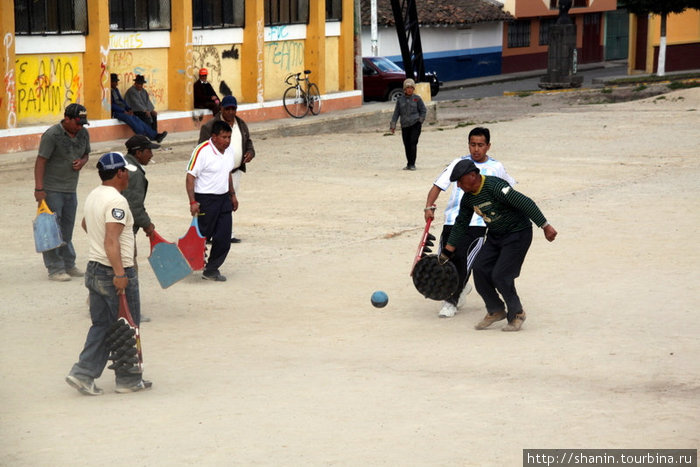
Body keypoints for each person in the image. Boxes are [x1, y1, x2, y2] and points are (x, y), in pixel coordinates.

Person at [65, 152, 152, 395]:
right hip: (113, 271)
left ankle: (83, 373)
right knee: (127, 325)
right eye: (125, 173)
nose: (127, 178)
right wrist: (119, 273)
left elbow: (85, 224)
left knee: (102, 325)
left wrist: (99, 246)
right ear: (120, 173)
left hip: (94, 268)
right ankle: (128, 379)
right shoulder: (117, 202)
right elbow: (111, 240)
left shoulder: (95, 195)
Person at [440, 159, 557, 332]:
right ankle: (495, 310)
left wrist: (545, 226)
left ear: (472, 176)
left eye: (460, 181)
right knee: (479, 269)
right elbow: (461, 223)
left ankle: (517, 313)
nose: (458, 185)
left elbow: (525, 203)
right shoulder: (468, 198)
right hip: (495, 236)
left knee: (501, 275)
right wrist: (448, 250)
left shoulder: (495, 187)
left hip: (518, 234)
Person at [424, 127, 515, 318]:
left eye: (480, 145)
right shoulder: (458, 163)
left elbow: (508, 194)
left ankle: (451, 301)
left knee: (464, 262)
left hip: (478, 223)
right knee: (445, 258)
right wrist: (428, 206)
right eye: (473, 144)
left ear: (488, 146)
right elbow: (437, 186)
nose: (476, 149)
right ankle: (459, 288)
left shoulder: (496, 168)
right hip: (452, 220)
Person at [33, 103, 91, 282]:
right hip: (51, 189)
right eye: (77, 122)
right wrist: (39, 189)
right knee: (51, 228)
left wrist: (82, 162)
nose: (80, 126)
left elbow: (86, 154)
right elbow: (41, 161)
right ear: (67, 118)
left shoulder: (83, 133)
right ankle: (55, 268)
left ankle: (68, 263)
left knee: (66, 229)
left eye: (83, 123)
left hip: (70, 189)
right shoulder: (52, 135)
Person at [198, 95, 255, 243]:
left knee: (229, 204)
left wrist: (250, 152)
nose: (230, 112)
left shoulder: (241, 124)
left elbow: (248, 142)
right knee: (214, 204)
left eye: (233, 109)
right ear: (221, 109)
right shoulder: (210, 126)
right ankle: (208, 234)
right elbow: (202, 149)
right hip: (215, 173)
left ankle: (226, 233)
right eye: (227, 108)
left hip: (234, 171)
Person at [186, 120, 238, 281]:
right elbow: (190, 177)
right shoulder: (201, 151)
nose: (227, 141)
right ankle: (185, 260)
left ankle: (212, 269)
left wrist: (232, 194)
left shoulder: (229, 151)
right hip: (205, 199)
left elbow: (227, 172)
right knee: (201, 235)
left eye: (229, 137)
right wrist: (192, 202)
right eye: (224, 137)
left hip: (223, 199)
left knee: (224, 237)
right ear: (214, 137)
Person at [110, 73, 167, 143]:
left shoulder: (116, 90)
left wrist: (128, 109)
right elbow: (111, 105)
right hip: (117, 112)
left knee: (138, 119)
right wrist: (123, 110)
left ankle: (155, 135)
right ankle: (145, 136)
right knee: (134, 120)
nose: (116, 84)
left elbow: (122, 101)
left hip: (125, 110)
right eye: (115, 82)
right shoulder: (109, 92)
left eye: (116, 82)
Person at [122, 135, 159, 238]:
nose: (151, 155)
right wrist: (147, 225)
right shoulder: (135, 173)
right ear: (138, 153)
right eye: (149, 151)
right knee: (127, 253)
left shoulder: (123, 163)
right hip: (124, 226)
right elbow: (134, 206)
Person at [389, 78, 426, 171]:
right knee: (407, 144)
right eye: (407, 87)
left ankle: (412, 164)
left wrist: (420, 121)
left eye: (411, 88)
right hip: (405, 126)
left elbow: (423, 110)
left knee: (413, 143)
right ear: (404, 89)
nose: (409, 89)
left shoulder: (417, 99)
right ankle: (408, 164)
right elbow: (396, 113)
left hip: (415, 125)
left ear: (413, 89)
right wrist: (393, 125)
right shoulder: (400, 100)